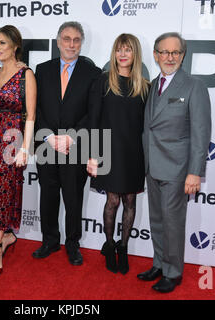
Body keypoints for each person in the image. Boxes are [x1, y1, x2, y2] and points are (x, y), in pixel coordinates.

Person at [138, 32, 211, 293]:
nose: (169, 57)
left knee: (172, 223)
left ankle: (173, 271)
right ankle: (159, 263)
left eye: (175, 52)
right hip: (152, 166)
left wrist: (195, 172)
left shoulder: (194, 86)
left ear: (182, 56)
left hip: (178, 169)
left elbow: (201, 134)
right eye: (164, 52)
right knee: (157, 220)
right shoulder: (150, 85)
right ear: (156, 55)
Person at [33, 21, 101, 266]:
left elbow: (93, 114)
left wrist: (71, 136)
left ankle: (73, 244)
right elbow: (35, 109)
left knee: (73, 199)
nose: (71, 44)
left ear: (81, 42)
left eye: (76, 40)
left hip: (75, 146)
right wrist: (49, 137)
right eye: (66, 39)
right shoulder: (41, 70)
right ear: (58, 40)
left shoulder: (93, 74)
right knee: (48, 196)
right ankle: (50, 241)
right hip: (46, 145)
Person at [87, 34, 149, 275]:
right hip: (108, 151)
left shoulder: (144, 86)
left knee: (130, 201)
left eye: (128, 50)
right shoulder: (103, 82)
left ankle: (123, 247)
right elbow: (93, 120)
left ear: (135, 54)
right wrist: (92, 155)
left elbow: (146, 126)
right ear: (114, 54)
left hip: (133, 153)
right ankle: (109, 245)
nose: (123, 54)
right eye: (119, 50)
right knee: (112, 200)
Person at [0, 25, 36, 277]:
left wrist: (25, 148)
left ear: (15, 45)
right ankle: (8, 236)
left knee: (3, 192)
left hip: (11, 142)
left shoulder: (26, 75)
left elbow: (31, 115)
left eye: (2, 43)